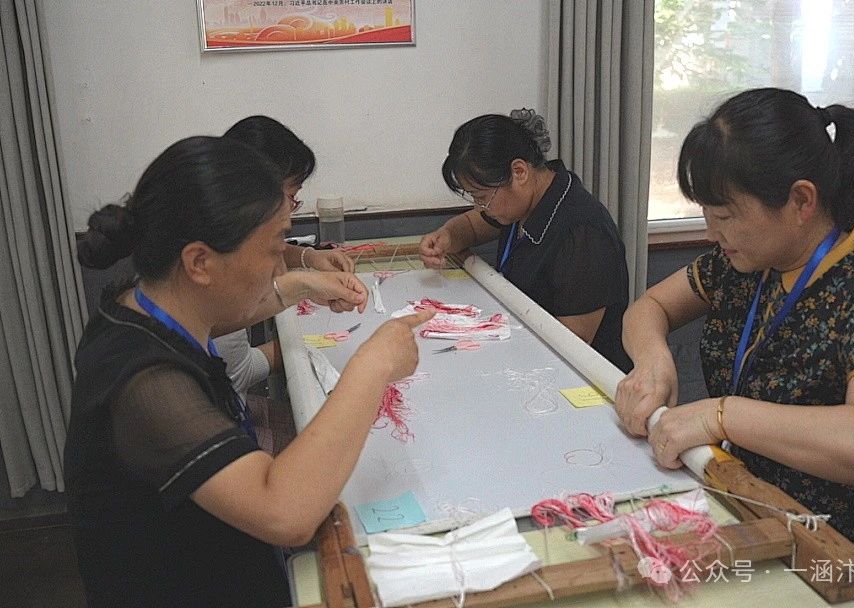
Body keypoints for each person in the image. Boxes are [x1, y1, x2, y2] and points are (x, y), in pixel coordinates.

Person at [67, 135, 434, 607]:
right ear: (200, 261)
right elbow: (285, 513)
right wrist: (373, 364)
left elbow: (207, 318)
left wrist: (301, 285)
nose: (281, 263)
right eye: (274, 246)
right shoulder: (145, 384)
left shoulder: (143, 301)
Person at [614, 87, 854, 562]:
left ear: (800, 201)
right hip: (733, 502)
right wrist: (653, 360)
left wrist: (721, 415)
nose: (711, 233)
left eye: (724, 216)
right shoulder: (744, 263)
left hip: (821, 543)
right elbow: (650, 307)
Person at [419, 109, 632, 371]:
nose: (480, 206)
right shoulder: (524, 202)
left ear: (519, 172)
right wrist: (447, 236)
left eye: (482, 197)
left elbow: (572, 344)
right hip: (523, 348)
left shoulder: (583, 233)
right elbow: (472, 226)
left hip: (579, 376)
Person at [217, 116, 354, 401]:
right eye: (290, 198)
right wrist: (305, 349)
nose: (289, 217)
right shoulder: (221, 259)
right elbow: (236, 374)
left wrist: (309, 259)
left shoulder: (221, 236)